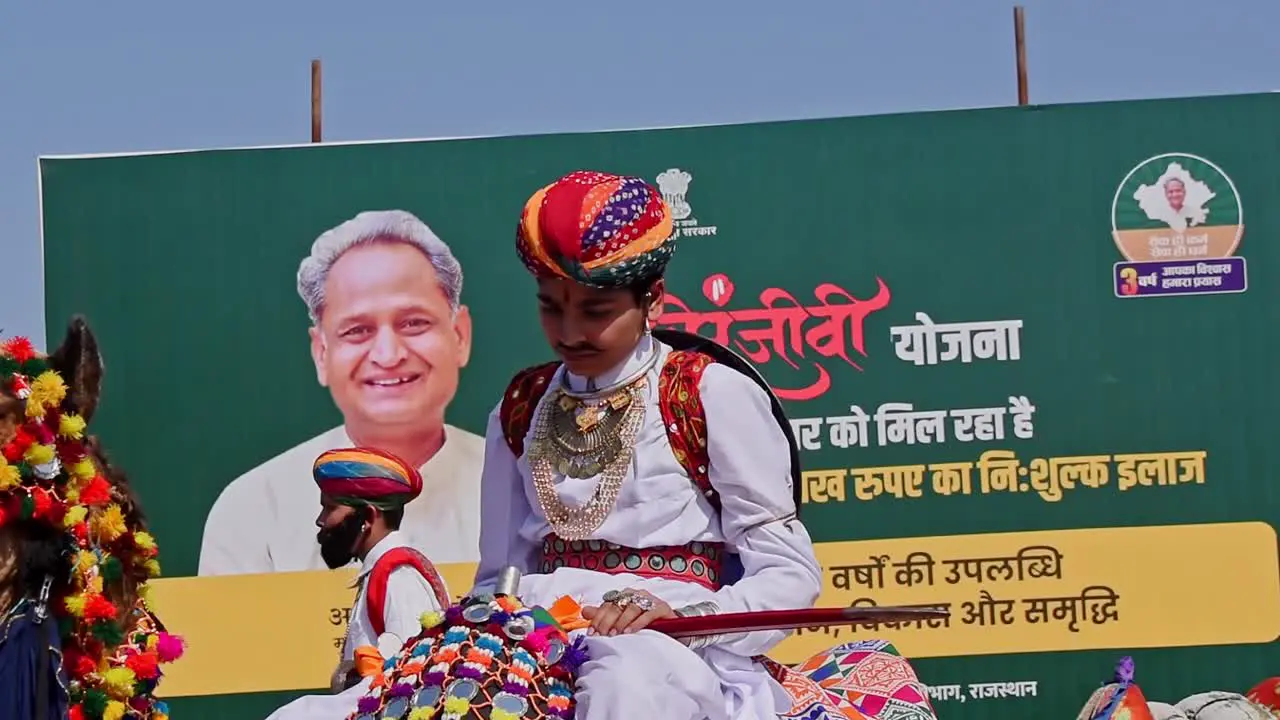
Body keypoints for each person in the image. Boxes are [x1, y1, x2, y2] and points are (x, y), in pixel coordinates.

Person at [471, 169, 826, 720]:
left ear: (652, 300)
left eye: (594, 311)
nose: (568, 331)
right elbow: (499, 578)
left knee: (622, 687)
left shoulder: (707, 393)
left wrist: (685, 619)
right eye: (550, 306)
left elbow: (790, 574)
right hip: (535, 640)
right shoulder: (519, 407)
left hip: (669, 647)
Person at [199, 210, 486, 577]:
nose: (388, 354)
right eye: (357, 330)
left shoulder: (521, 487)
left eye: (414, 323)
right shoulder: (252, 509)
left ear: (460, 336)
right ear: (321, 353)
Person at [266, 446, 452, 720]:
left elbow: (408, 683)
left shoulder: (399, 576)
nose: (321, 521)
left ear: (368, 516)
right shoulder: (383, 572)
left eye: (330, 508)